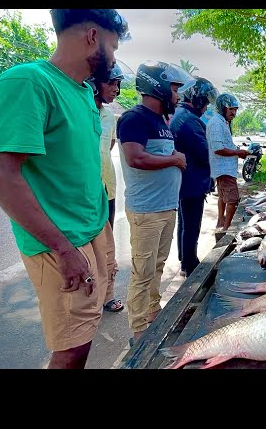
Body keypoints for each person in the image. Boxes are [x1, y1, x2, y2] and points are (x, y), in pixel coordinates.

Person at [0, 9, 129, 369]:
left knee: (87, 331)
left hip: (93, 230)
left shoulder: (82, 93)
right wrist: (63, 249)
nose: (113, 56)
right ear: (93, 37)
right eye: (112, 45)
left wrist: (102, 233)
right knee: (72, 346)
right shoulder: (29, 82)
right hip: (61, 242)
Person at [116, 60, 194, 345]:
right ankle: (138, 332)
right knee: (142, 271)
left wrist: (173, 159)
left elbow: (162, 154)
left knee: (157, 265)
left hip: (165, 207)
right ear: (158, 87)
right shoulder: (133, 119)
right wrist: (174, 159)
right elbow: (135, 158)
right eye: (174, 88)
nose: (178, 95)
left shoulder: (162, 122)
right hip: (146, 211)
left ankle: (153, 311)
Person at [86, 63, 126, 313]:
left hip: (107, 190)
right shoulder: (81, 111)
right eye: (111, 82)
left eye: (118, 84)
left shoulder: (109, 116)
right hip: (84, 194)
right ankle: (89, 298)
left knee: (107, 247)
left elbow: (108, 147)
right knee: (87, 249)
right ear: (93, 82)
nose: (116, 89)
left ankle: (108, 294)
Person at [170, 77, 219, 276]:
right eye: (206, 102)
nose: (206, 106)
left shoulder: (181, 115)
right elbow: (204, 152)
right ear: (197, 98)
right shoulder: (189, 120)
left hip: (185, 181)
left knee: (185, 223)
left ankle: (185, 260)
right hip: (191, 182)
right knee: (191, 225)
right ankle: (190, 265)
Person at [206, 93, 249, 233]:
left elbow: (224, 144)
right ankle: (226, 228)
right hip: (224, 170)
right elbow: (218, 149)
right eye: (231, 109)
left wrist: (237, 150)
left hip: (224, 169)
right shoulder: (216, 123)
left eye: (235, 109)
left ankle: (221, 222)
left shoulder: (221, 122)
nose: (234, 113)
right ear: (222, 108)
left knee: (223, 197)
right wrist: (238, 153)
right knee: (232, 200)